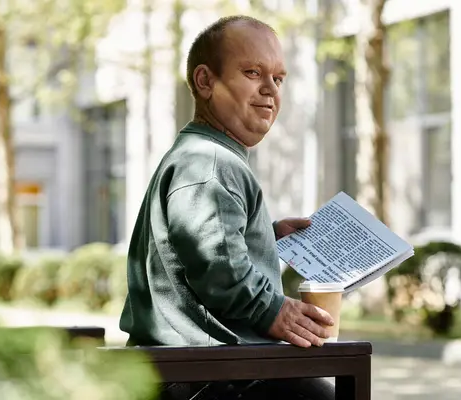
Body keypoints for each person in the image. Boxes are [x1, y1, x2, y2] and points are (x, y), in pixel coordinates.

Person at [119, 15, 335, 400]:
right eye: (253, 72)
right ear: (205, 81)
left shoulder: (202, 156)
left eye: (279, 78)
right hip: (211, 380)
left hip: (196, 372)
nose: (270, 89)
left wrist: (264, 235)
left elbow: (198, 251)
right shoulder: (211, 163)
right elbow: (220, 271)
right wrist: (276, 312)